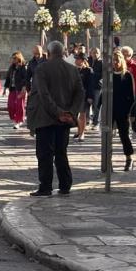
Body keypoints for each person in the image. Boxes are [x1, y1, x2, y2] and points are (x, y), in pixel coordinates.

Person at [26, 41, 84, 196]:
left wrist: (58, 113)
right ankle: (65, 184)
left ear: (49, 53)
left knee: (45, 153)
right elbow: (80, 93)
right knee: (61, 152)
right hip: (64, 119)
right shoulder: (72, 69)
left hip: (45, 117)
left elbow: (44, 95)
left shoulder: (42, 69)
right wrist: (70, 113)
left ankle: (46, 186)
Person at [111, 50, 135, 171]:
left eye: (117, 60)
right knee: (107, 136)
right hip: (110, 109)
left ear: (122, 60)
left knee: (124, 135)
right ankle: (107, 160)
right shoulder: (108, 75)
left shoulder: (127, 75)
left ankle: (129, 158)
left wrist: (130, 113)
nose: (115, 63)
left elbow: (131, 96)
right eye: (113, 60)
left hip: (123, 110)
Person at [4, 52, 29, 129]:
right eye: (12, 58)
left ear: (19, 58)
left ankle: (18, 121)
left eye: (14, 58)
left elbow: (26, 78)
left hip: (20, 89)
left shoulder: (23, 67)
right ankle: (16, 118)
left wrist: (24, 88)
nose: (13, 60)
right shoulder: (11, 67)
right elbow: (8, 78)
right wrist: (5, 89)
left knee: (19, 106)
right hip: (12, 89)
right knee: (10, 105)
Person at [73, 53, 94, 143]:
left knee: (82, 114)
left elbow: (90, 85)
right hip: (74, 96)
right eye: (76, 59)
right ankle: (79, 130)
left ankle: (82, 134)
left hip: (84, 95)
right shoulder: (73, 70)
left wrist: (90, 96)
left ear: (82, 60)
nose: (76, 60)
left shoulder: (88, 71)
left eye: (78, 59)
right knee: (74, 115)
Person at [88, 47, 103, 128]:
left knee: (96, 104)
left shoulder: (101, 62)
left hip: (97, 87)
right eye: (93, 52)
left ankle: (95, 122)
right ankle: (88, 121)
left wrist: (93, 73)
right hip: (89, 86)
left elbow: (102, 75)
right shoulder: (88, 61)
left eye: (97, 52)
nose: (95, 54)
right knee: (89, 104)